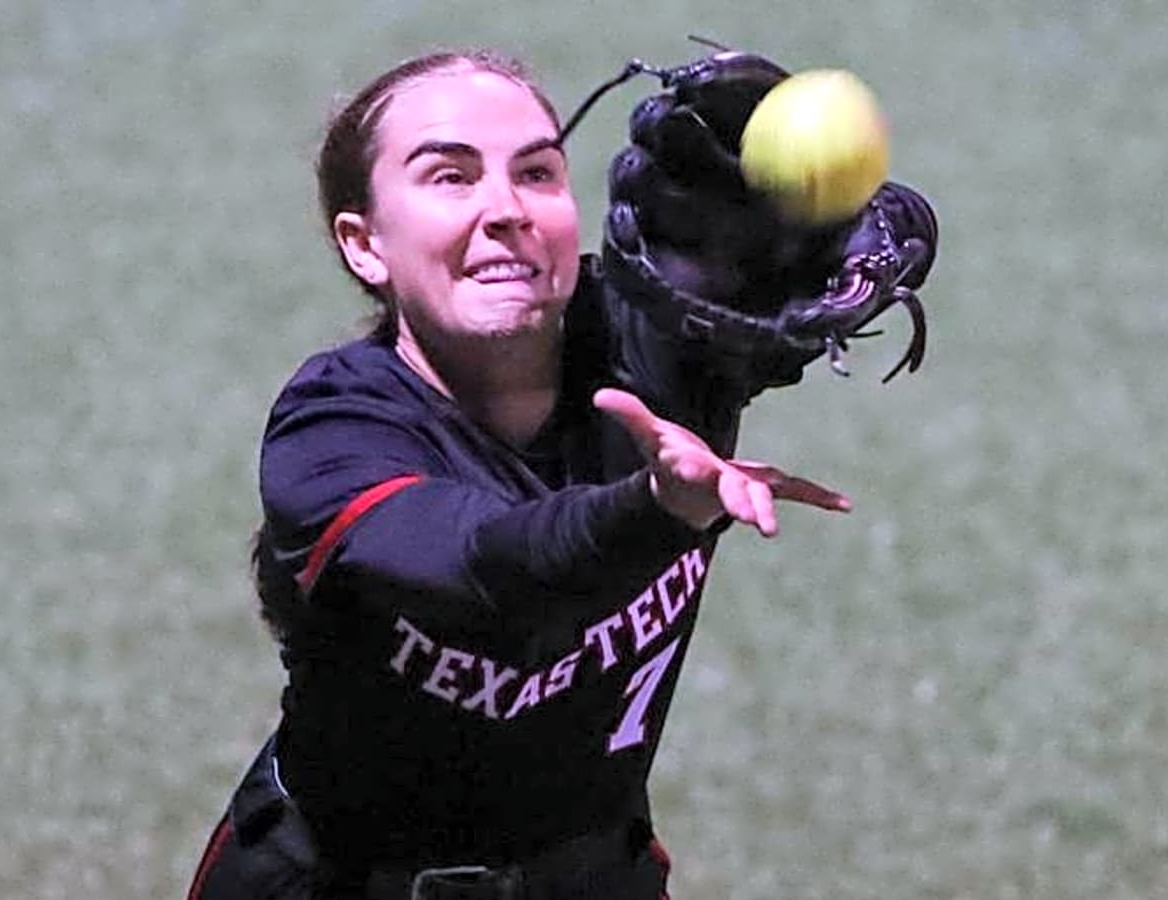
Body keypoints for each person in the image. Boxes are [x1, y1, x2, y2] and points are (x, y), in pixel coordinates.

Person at [188, 47, 937, 900]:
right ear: (366, 246)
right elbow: (490, 570)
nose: (506, 208)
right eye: (450, 177)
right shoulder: (335, 429)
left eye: (537, 172)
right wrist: (656, 509)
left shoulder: (664, 341)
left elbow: (811, 259)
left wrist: (806, 234)